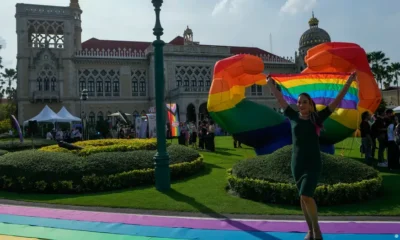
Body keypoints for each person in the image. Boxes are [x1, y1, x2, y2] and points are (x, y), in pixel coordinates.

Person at [267, 72, 357, 240]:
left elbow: (335, 102)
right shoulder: (292, 116)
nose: (301, 104)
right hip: (297, 163)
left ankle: (317, 231)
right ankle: (310, 231)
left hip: (313, 163)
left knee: (306, 195)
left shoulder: (316, 118)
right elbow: (280, 99)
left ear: (310, 104)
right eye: (299, 102)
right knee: (303, 199)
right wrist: (270, 83)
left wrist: (348, 82)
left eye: (305, 102)